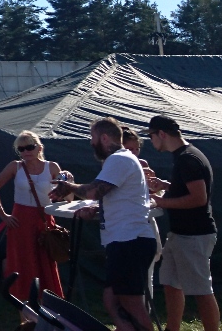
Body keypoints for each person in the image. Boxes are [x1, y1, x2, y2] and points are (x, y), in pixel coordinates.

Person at [52, 117, 155, 331]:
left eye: (93, 137)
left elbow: (92, 191)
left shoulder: (119, 159)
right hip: (124, 240)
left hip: (130, 240)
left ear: (105, 138)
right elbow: (120, 197)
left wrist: (68, 186)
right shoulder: (119, 160)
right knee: (111, 300)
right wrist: (97, 210)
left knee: (131, 304)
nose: (91, 142)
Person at [147, 115, 219, 331]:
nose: (151, 141)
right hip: (179, 234)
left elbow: (199, 198)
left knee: (201, 290)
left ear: (162, 134)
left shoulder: (188, 159)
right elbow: (186, 188)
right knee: (170, 282)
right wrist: (166, 185)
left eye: (151, 136)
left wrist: (161, 201)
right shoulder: (184, 156)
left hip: (195, 235)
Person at [0, 130, 69, 299]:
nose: (25, 152)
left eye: (29, 147)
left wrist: (69, 183)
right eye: (21, 149)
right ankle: (23, 304)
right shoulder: (15, 166)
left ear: (39, 147)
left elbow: (67, 199)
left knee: (45, 261)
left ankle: (48, 302)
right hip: (20, 220)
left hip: (44, 219)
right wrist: (2, 214)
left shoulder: (52, 167)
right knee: (22, 262)